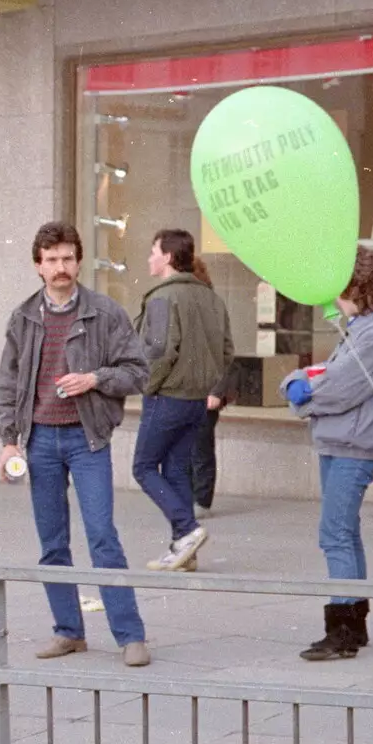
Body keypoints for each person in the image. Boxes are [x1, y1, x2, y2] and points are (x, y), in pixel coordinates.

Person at [0, 221, 151, 668]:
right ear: (38, 266)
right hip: (40, 440)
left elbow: (138, 372)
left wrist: (96, 378)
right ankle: (69, 631)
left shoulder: (105, 313)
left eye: (67, 258)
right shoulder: (23, 317)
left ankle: (130, 635)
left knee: (103, 537)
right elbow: (7, 384)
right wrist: (9, 443)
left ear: (78, 261)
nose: (60, 267)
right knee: (52, 542)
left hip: (88, 439)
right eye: (51, 260)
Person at [282, 247, 373, 662]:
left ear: (353, 286)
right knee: (345, 531)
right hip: (344, 439)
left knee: (335, 533)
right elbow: (323, 376)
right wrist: (303, 381)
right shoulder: (365, 326)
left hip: (355, 442)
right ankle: (355, 623)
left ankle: (343, 631)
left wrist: (301, 394)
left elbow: (337, 387)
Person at [131, 228, 233, 571]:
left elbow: (158, 353)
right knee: (176, 469)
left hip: (167, 395)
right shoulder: (211, 298)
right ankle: (184, 549)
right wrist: (204, 381)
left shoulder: (163, 297)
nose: (149, 258)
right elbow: (227, 351)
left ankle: (187, 530)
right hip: (195, 400)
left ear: (168, 257)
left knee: (143, 467)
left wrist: (148, 386)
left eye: (153, 251)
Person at [188, 256, 239, 516]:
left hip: (206, 388)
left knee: (200, 447)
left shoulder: (210, 307)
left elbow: (224, 353)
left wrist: (217, 391)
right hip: (184, 389)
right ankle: (187, 496)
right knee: (184, 447)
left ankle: (202, 499)